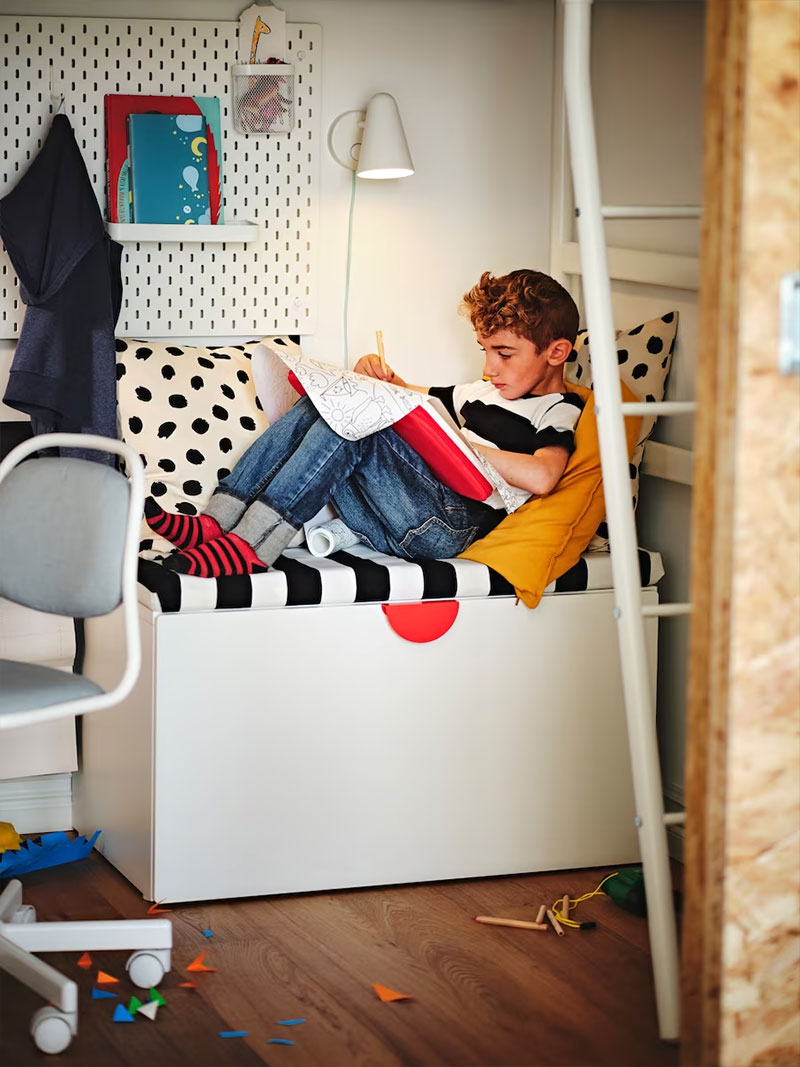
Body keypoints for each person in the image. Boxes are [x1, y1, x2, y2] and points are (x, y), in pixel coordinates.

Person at [144, 269, 584, 578]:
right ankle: (217, 522)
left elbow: (543, 476)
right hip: (394, 514)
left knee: (355, 427)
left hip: (447, 527)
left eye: (504, 354)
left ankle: (253, 547)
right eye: (485, 351)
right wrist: (379, 379)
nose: (489, 368)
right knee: (329, 405)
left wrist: (464, 446)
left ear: (557, 352)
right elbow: (413, 398)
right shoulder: (480, 392)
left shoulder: (555, 407)